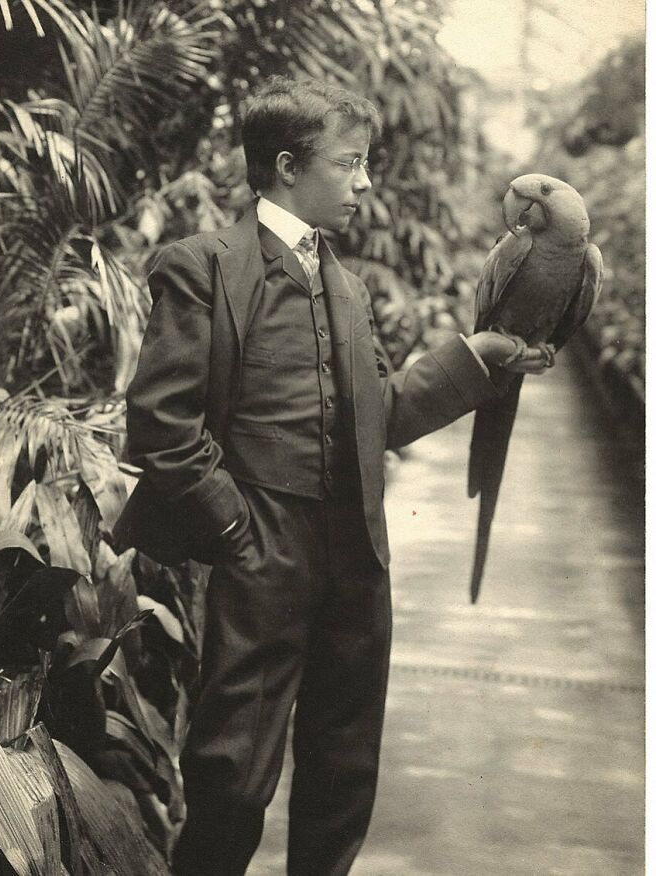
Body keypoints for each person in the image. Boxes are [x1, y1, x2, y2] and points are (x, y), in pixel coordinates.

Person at [114, 75, 550, 875]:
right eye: (351, 164)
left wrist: (471, 361)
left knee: (343, 774)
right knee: (231, 774)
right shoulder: (203, 267)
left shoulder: (343, 287)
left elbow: (376, 412)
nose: (365, 182)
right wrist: (238, 532)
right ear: (287, 166)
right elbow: (162, 426)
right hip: (261, 549)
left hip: (356, 551)